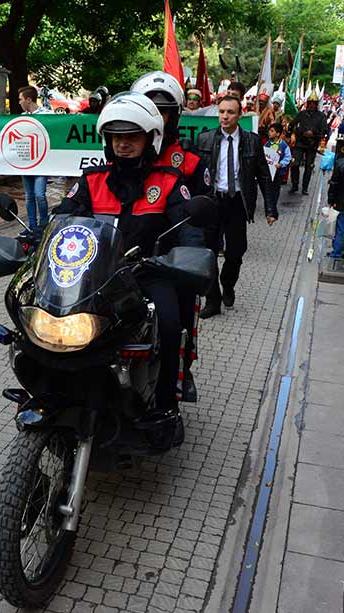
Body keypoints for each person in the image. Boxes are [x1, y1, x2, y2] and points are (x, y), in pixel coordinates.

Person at [54, 91, 204, 443]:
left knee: (170, 324)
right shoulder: (92, 180)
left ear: (150, 139)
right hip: (95, 276)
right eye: (116, 137)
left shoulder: (168, 181)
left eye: (132, 136)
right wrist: (35, 239)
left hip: (148, 274)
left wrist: (191, 253)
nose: (123, 144)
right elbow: (63, 216)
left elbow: (188, 228)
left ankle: (166, 405)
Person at [132, 70, 213, 403]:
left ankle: (179, 373)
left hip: (171, 260)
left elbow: (200, 218)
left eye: (162, 111)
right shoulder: (123, 154)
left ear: (175, 115)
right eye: (147, 108)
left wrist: (192, 255)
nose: (154, 117)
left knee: (176, 317)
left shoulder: (190, 162)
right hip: (123, 258)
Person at [196, 95, 278, 318]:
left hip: (237, 202)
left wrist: (270, 209)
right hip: (213, 201)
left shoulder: (252, 141)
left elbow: (264, 175)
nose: (225, 116)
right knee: (208, 253)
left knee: (236, 251)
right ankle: (212, 300)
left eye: (230, 112)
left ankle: (228, 283)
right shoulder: (204, 139)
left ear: (240, 115)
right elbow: (196, 174)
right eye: (222, 112)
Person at [16, 86, 51, 233]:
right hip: (27, 162)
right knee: (29, 196)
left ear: (29, 100)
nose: (19, 102)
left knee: (39, 195)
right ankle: (32, 226)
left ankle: (43, 225)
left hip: (41, 163)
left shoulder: (47, 115)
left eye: (21, 99)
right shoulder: (22, 117)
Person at [290, 93, 328, 195]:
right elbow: (292, 124)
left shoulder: (321, 116)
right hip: (300, 142)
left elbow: (324, 130)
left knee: (309, 166)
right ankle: (294, 184)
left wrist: (313, 133)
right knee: (294, 163)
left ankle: (305, 187)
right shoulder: (302, 114)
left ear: (316, 104)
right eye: (310, 103)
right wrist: (298, 132)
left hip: (312, 144)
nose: (311, 105)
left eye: (313, 103)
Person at [264, 122, 291, 213]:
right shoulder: (267, 144)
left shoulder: (283, 145)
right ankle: (268, 206)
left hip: (278, 173)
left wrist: (281, 164)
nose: (269, 132)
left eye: (272, 131)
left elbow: (288, 157)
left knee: (275, 189)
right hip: (268, 172)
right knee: (268, 189)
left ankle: (273, 206)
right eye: (269, 131)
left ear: (278, 134)